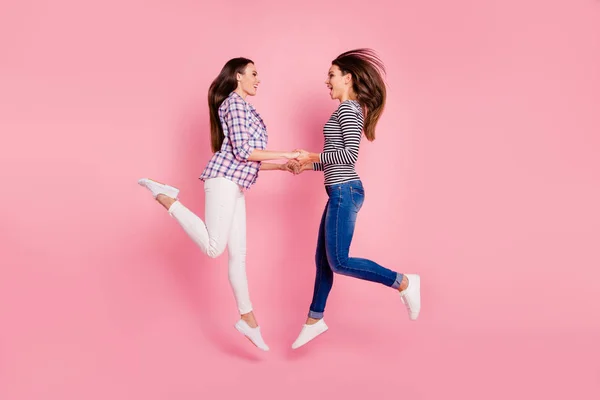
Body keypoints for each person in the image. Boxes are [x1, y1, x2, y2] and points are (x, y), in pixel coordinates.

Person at [138, 58, 299, 351]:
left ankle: (248, 320)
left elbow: (247, 160)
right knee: (215, 248)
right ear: (238, 76)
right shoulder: (234, 104)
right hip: (223, 181)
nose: (258, 79)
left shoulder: (246, 108)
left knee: (239, 256)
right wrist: (287, 152)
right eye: (253, 73)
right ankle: (167, 197)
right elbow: (245, 150)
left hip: (235, 183)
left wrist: (284, 165)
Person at [289, 49, 421, 349]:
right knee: (323, 262)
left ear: (347, 78)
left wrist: (311, 154)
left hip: (345, 191)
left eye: (331, 75)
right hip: (339, 190)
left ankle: (404, 282)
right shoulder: (342, 110)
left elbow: (349, 156)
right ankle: (314, 319)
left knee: (339, 261)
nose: (327, 81)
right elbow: (334, 161)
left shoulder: (349, 109)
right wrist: (307, 164)